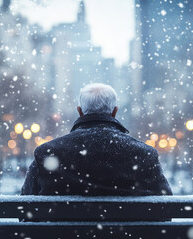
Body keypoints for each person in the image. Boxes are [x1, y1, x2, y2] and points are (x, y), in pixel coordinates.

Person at [21, 83, 172, 196]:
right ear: (114, 112)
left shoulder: (48, 153)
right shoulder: (144, 154)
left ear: (79, 111)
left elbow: (25, 208)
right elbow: (166, 208)